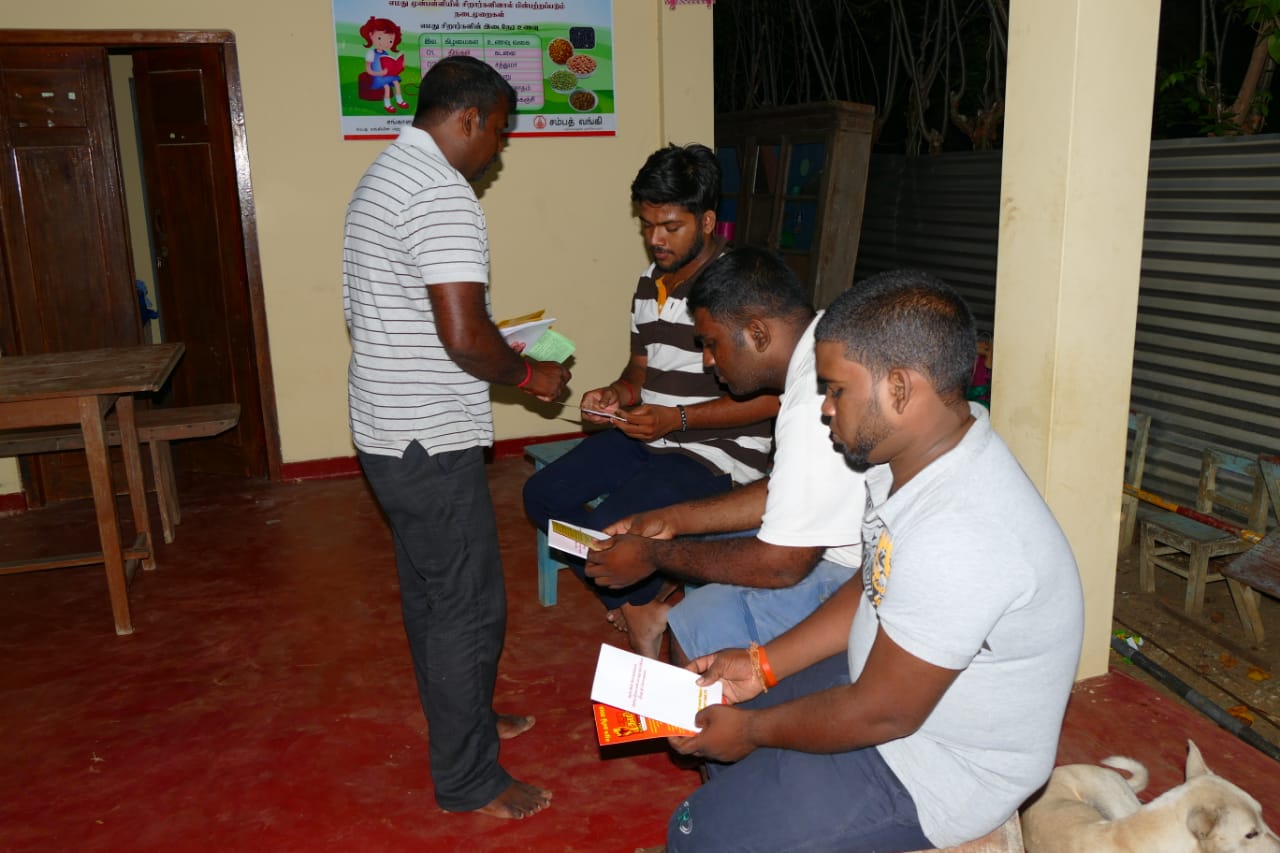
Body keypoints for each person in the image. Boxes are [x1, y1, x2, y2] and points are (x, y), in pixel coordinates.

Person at [659, 270, 1084, 852]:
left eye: (836, 390)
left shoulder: (962, 531)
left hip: (938, 768)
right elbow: (874, 582)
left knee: (696, 834)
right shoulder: (911, 462)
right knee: (720, 712)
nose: (826, 409)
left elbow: (884, 715)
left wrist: (754, 731)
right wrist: (762, 666)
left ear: (899, 390)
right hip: (886, 690)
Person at [342, 55, 569, 821]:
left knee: (433, 593)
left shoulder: (385, 175)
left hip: (386, 428)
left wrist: (498, 345)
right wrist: (531, 373)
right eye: (499, 130)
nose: (499, 148)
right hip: (427, 436)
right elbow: (467, 339)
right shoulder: (441, 193)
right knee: (468, 606)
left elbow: (423, 315)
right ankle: (470, 777)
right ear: (469, 118)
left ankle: (466, 714)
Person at [522, 144, 778, 655]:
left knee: (604, 533)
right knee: (541, 497)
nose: (655, 239)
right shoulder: (649, 283)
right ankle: (641, 603)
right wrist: (615, 394)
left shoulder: (741, 287)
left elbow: (772, 400)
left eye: (670, 226)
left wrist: (675, 419)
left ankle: (639, 595)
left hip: (715, 454)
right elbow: (639, 370)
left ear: (707, 221)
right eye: (647, 225)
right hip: (649, 433)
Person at [584, 248, 865, 664]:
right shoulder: (822, 341)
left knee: (694, 627)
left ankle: (703, 706)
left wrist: (654, 556)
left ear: (758, 334)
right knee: (694, 537)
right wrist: (671, 520)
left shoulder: (812, 403)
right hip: (834, 549)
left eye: (712, 344)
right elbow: (782, 491)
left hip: (857, 575)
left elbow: (783, 564)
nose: (708, 360)